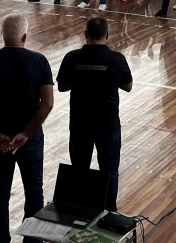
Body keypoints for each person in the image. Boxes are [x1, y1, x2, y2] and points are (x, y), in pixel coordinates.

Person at [0, 14, 54, 243]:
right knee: (34, 193)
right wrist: (26, 134)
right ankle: (32, 240)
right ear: (25, 36)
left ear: (2, 35)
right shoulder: (39, 61)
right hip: (30, 141)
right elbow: (47, 102)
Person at [57, 17, 132, 212]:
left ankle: (82, 211)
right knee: (110, 172)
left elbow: (62, 87)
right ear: (107, 35)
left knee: (79, 171)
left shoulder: (72, 57)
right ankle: (108, 212)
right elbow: (128, 86)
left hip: (80, 125)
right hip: (108, 126)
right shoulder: (117, 59)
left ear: (85, 35)